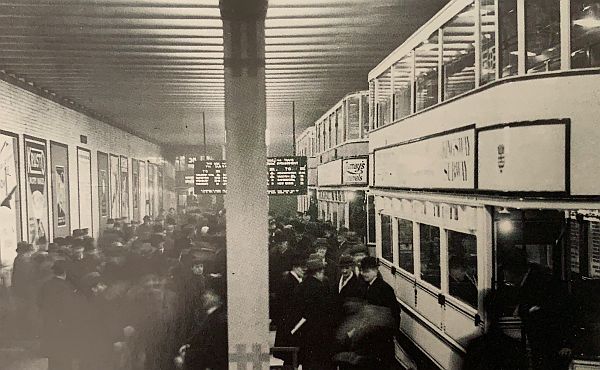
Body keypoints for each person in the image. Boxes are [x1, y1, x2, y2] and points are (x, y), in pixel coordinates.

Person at [293, 257, 337, 370]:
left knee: (308, 363)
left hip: (305, 332)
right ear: (318, 272)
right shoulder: (321, 288)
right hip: (321, 335)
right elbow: (328, 311)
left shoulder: (300, 287)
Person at [359, 256, 400, 368]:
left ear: (376, 271)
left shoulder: (384, 288)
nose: (364, 274)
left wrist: (390, 333)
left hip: (381, 338)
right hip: (372, 337)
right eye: (362, 271)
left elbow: (395, 312)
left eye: (367, 271)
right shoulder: (368, 286)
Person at [38, 260, 77, 370]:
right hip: (63, 325)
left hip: (49, 323)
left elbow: (39, 303)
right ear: (65, 272)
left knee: (53, 356)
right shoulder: (66, 287)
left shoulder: (46, 284)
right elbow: (69, 309)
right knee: (65, 356)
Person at [180, 290, 227, 370]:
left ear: (219, 298)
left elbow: (213, 349)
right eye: (205, 293)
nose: (205, 296)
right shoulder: (210, 316)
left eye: (210, 293)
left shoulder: (219, 319)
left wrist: (187, 355)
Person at [273, 254, 306, 366]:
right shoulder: (290, 282)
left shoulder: (289, 280)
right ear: (295, 267)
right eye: (302, 267)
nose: (304, 270)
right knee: (291, 356)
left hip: (288, 324)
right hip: (290, 324)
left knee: (290, 357)